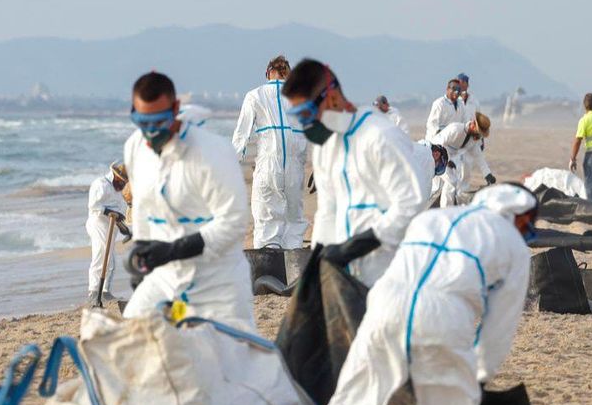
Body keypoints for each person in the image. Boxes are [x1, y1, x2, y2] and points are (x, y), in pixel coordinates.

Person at [282, 183, 537, 405]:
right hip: (445, 318)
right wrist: (481, 372)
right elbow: (501, 322)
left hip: (386, 309)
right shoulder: (512, 245)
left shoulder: (431, 218)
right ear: (521, 215)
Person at [120, 71, 253, 329]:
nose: (149, 133)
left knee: (227, 359)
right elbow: (143, 210)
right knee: (129, 339)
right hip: (165, 279)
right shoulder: (135, 148)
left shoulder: (213, 153)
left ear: (175, 109)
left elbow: (234, 222)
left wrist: (174, 250)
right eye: (142, 122)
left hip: (216, 282)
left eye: (158, 122)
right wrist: (142, 254)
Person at [283, 59, 427, 287]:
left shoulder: (380, 137)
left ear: (331, 97)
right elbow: (327, 211)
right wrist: (318, 261)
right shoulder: (325, 147)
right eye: (298, 117)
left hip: (390, 274)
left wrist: (368, 240)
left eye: (306, 113)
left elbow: (412, 203)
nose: (305, 124)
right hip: (348, 279)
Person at [232, 55, 310, 249]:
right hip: (294, 169)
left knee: (267, 223)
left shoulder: (255, 95)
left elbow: (242, 134)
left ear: (268, 73)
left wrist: (231, 164)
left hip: (268, 166)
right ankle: (294, 272)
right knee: (293, 223)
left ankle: (269, 272)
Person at [85, 162, 131, 302]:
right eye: (122, 182)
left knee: (110, 260)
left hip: (112, 227)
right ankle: (93, 291)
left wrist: (124, 226)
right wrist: (109, 212)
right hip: (98, 223)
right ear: (116, 177)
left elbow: (121, 211)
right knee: (100, 256)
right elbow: (93, 206)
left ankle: (105, 291)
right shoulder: (101, 184)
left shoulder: (119, 191)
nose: (123, 186)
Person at [431, 113, 492, 206]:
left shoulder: (472, 141)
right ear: (472, 124)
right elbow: (437, 143)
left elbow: (479, 158)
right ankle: (446, 210)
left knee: (454, 183)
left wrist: (488, 174)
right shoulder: (455, 129)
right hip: (435, 155)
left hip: (448, 159)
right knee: (450, 181)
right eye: (478, 132)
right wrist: (447, 160)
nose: (479, 136)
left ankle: (449, 206)